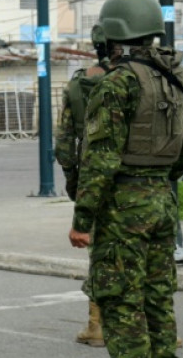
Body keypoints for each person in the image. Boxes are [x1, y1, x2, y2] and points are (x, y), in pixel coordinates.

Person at [68, 0, 183, 357]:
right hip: (162, 201)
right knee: (158, 297)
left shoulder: (117, 82)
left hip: (122, 209)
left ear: (112, 34)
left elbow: (101, 158)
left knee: (121, 302)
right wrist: (160, 177)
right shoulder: (178, 76)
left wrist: (82, 219)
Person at [55, 24, 117, 347]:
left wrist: (74, 186)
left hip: (92, 178)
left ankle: (96, 323)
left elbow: (64, 144)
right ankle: (156, 323)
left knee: (99, 250)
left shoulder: (79, 84)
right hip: (138, 180)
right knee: (146, 250)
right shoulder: (140, 79)